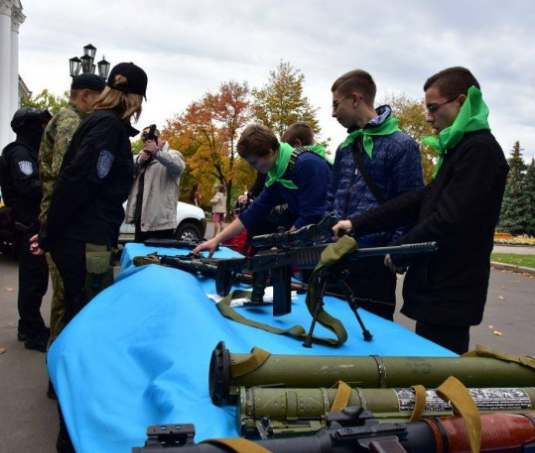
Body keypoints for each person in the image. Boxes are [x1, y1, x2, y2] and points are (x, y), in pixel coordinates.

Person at [331, 67, 509, 355]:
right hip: (436, 288)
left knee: (439, 377)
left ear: (461, 102)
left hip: (451, 291)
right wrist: (356, 223)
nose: (428, 117)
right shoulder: (461, 149)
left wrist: (399, 248)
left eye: (433, 108)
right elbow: (419, 200)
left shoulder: (480, 152)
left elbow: (449, 219)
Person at [31, 61, 147, 453]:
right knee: (87, 328)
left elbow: (75, 179)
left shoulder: (98, 124)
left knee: (82, 320)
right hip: (87, 244)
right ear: (133, 98)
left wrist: (51, 230)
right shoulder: (108, 128)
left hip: (82, 239)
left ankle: (72, 425)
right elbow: (79, 181)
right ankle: (73, 431)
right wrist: (49, 233)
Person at [328, 69, 424, 320]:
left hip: (373, 265)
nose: (333, 113)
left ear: (355, 99)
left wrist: (391, 255)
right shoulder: (345, 147)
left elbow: (411, 205)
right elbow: (333, 196)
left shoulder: (403, 146)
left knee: (372, 344)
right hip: (335, 258)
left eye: (336, 104)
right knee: (330, 334)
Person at [38, 73, 105, 355]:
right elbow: (69, 173)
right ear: (86, 95)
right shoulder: (70, 121)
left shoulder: (73, 119)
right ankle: (59, 367)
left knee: (69, 295)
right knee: (66, 298)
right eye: (100, 99)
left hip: (60, 219)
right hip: (61, 221)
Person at [193, 124, 331, 256]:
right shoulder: (276, 174)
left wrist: (282, 245)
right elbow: (254, 212)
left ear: (270, 152)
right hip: (314, 238)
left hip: (335, 237)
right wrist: (216, 239)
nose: (252, 168)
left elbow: (312, 214)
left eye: (254, 162)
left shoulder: (307, 164)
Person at [0, 106, 52, 352]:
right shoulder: (20, 153)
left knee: (35, 280)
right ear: (28, 127)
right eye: (41, 125)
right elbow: (29, 187)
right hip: (27, 226)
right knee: (33, 281)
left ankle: (26, 326)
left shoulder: (28, 151)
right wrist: (55, 183)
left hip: (29, 224)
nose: (44, 129)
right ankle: (32, 332)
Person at [124, 125, 185, 241]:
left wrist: (157, 152)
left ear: (161, 139)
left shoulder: (172, 154)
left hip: (161, 224)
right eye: (145, 139)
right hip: (141, 221)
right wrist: (139, 160)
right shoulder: (143, 158)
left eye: (152, 138)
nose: (148, 141)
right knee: (140, 257)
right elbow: (125, 164)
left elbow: (179, 167)